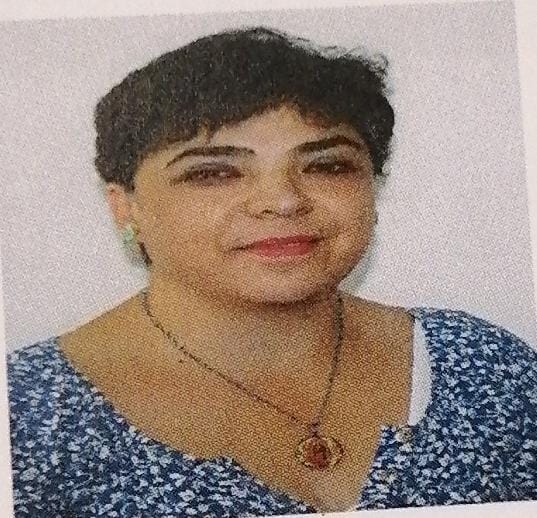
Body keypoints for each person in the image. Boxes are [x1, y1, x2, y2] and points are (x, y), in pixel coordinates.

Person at [6, 26, 537, 517]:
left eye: (326, 165)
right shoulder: (29, 416)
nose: (283, 200)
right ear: (126, 208)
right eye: (214, 172)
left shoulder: (485, 367)